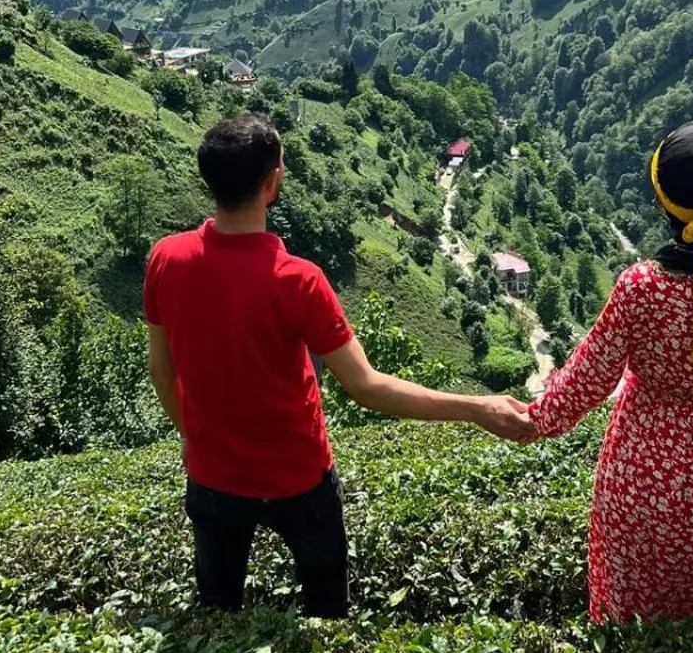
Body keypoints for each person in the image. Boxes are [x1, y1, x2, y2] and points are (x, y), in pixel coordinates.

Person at [145, 113, 537, 614]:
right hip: (298, 479)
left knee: (217, 610)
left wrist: (195, 434)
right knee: (327, 610)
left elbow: (162, 370)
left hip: (211, 477)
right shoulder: (298, 281)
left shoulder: (165, 259)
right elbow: (366, 386)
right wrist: (478, 408)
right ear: (273, 183)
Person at [528, 122, 693, 623]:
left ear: (665, 205)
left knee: (631, 632)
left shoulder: (641, 289)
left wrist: (531, 420)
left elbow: (587, 379)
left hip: (637, 483)